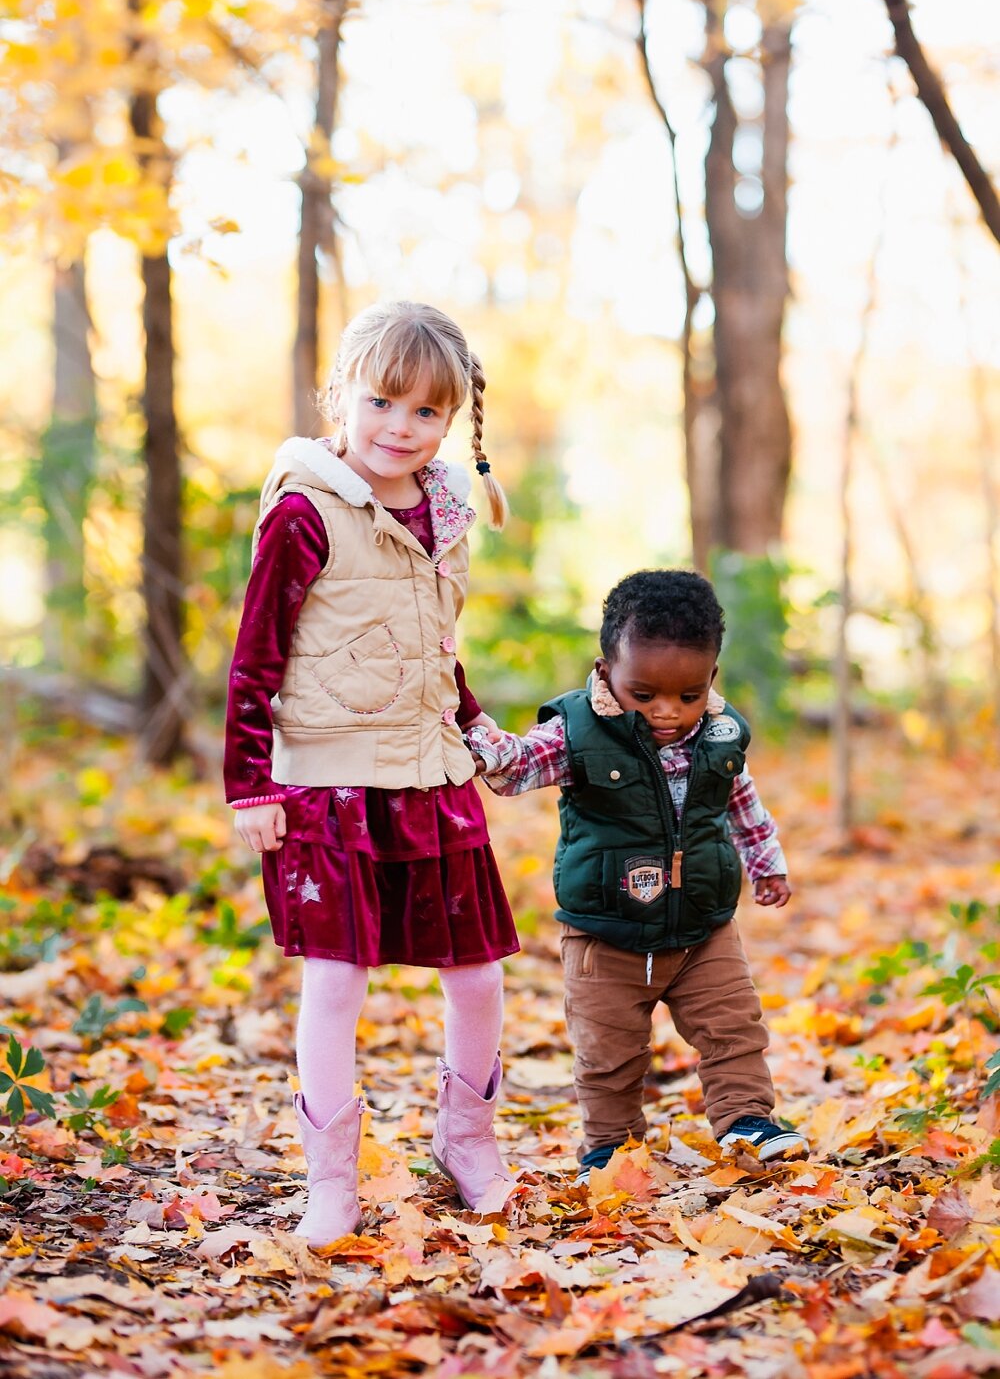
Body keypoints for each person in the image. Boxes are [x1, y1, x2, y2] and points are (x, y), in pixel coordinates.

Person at [224, 301, 519, 1245]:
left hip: (431, 777)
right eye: (382, 401)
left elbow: (433, 646)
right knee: (336, 983)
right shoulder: (306, 512)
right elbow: (254, 655)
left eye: (426, 413)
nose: (400, 427)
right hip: (330, 784)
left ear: (453, 420)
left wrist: (475, 728)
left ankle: (466, 1138)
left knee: (476, 976)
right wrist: (250, 783)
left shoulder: (442, 510)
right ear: (342, 393)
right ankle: (331, 1181)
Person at [466, 568, 808, 1180]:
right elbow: (516, 768)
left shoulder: (720, 737)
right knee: (609, 1053)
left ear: (711, 680)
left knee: (735, 1029)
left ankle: (747, 1121)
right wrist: (482, 745)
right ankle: (610, 1146)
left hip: (703, 926)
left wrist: (767, 867)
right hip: (605, 934)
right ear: (606, 670)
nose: (667, 713)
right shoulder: (575, 731)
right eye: (644, 694)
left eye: (688, 695)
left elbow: (743, 804)